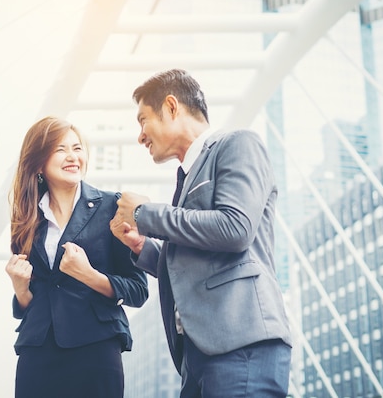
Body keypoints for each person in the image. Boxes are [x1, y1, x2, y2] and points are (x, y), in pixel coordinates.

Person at [110, 69, 292, 398]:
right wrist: (144, 248)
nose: (140, 136)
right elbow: (194, 257)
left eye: (143, 120)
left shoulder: (238, 143)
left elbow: (235, 229)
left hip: (241, 342)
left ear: (171, 106)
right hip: (197, 355)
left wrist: (145, 214)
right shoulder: (186, 177)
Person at [5, 116, 148, 398]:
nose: (72, 156)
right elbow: (33, 298)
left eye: (77, 148)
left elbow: (138, 289)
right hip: (38, 352)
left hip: (95, 349)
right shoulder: (27, 218)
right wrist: (20, 290)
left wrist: (89, 275)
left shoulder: (112, 207)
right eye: (60, 149)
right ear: (38, 163)